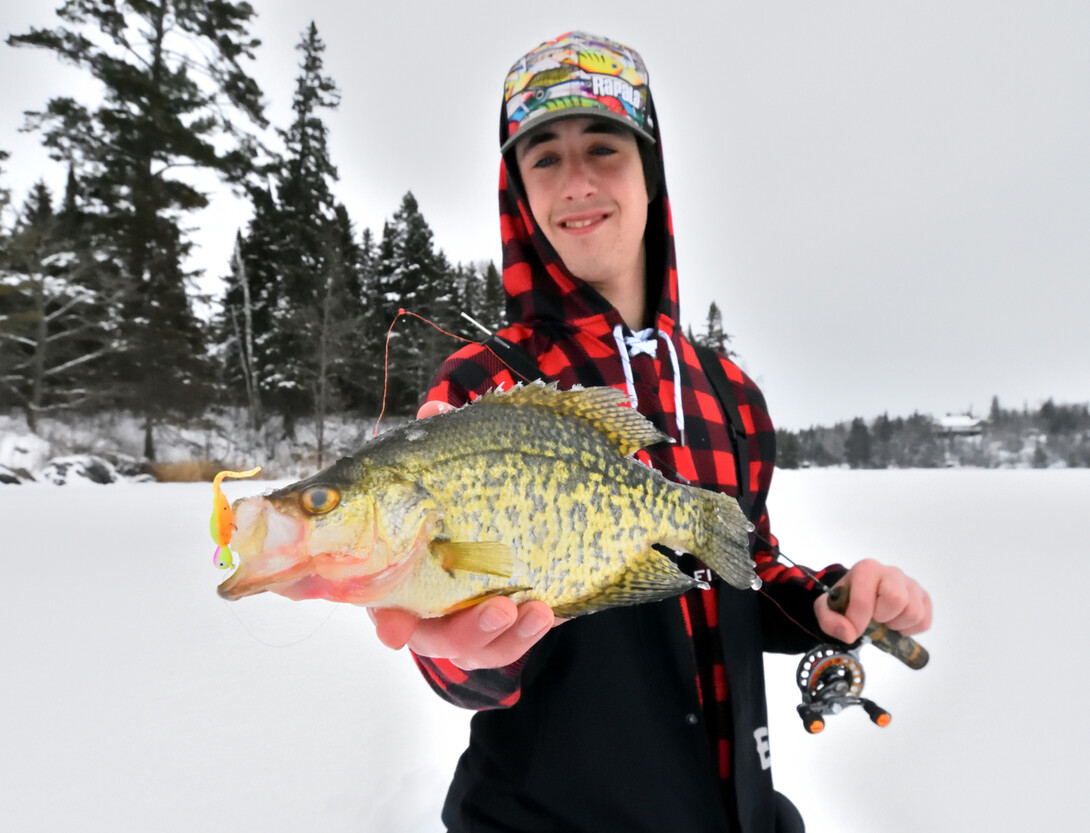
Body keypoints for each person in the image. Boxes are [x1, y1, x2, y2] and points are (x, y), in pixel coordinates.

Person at [371, 31, 931, 833]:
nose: (577, 182)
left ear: (650, 170)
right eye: (544, 158)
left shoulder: (731, 396)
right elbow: (453, 648)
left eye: (604, 147)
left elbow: (743, 563)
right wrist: (460, 651)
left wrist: (827, 600)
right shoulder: (485, 383)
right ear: (517, 192)